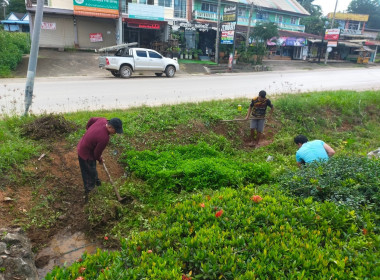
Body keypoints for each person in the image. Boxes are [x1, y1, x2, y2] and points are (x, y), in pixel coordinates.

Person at [77, 117, 123, 202]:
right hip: (85, 154)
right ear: (110, 127)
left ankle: (97, 183)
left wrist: (88, 129)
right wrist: (100, 159)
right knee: (88, 173)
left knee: (92, 168)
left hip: (84, 144)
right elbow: (96, 154)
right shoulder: (104, 138)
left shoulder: (102, 120)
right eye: (115, 131)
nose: (115, 133)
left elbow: (91, 119)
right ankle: (90, 195)